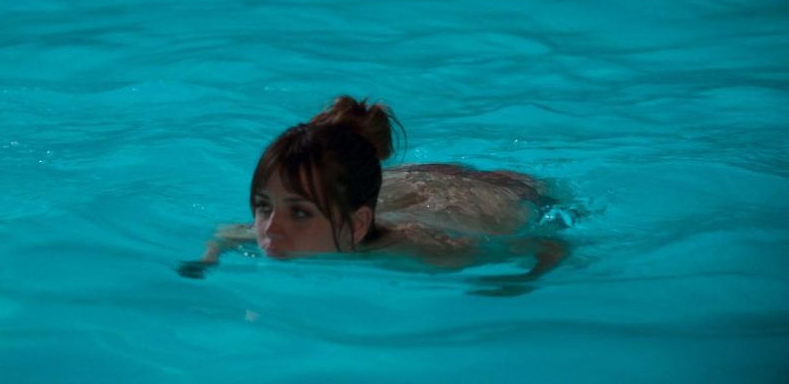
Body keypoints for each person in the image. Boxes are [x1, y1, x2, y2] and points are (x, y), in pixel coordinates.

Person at [179, 96, 571, 283]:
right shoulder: (276, 230)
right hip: (404, 186)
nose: (269, 229)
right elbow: (226, 234)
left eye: (299, 212)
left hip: (509, 189)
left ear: (356, 225)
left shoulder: (433, 251)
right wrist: (206, 261)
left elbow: (550, 246)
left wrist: (520, 284)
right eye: (264, 207)